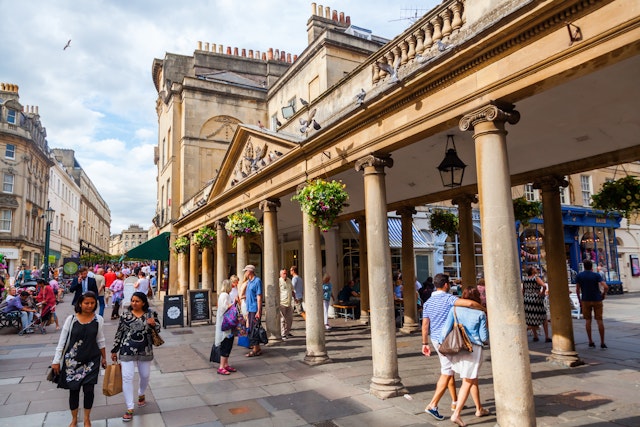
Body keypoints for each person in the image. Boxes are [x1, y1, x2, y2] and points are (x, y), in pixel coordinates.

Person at [421, 273, 485, 421]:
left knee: (451, 371)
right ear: (445, 285)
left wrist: (425, 343)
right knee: (448, 372)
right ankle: (433, 405)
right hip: (449, 340)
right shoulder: (450, 298)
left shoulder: (428, 302)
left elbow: (425, 326)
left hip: (436, 340)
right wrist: (483, 309)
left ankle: (458, 402)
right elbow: (469, 304)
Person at [51, 291, 107, 427]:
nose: (89, 306)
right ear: (80, 304)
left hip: (92, 360)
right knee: (74, 390)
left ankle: (87, 418)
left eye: (92, 303)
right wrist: (56, 361)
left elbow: (100, 340)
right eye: (86, 303)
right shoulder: (71, 319)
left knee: (89, 391)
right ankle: (74, 418)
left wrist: (104, 358)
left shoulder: (98, 319)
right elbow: (62, 341)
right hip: (72, 361)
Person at [443, 286, 490, 426]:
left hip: (458, 347)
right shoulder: (480, 314)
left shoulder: (455, 309)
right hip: (473, 348)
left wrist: (442, 347)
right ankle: (456, 414)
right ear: (476, 298)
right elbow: (483, 337)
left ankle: (479, 408)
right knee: (468, 381)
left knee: (472, 378)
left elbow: (446, 330)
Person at [111, 291, 159, 422]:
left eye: (137, 301)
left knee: (145, 375)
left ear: (143, 302)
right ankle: (130, 407)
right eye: (132, 301)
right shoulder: (125, 315)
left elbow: (158, 330)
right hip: (127, 349)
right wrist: (114, 350)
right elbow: (119, 332)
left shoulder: (151, 314)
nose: (134, 303)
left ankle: (141, 393)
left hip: (145, 349)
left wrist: (153, 324)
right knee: (127, 377)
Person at [576, 259, 609, 349]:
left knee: (588, 321)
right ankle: (602, 342)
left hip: (586, 300)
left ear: (584, 266)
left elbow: (577, 290)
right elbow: (605, 286)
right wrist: (603, 294)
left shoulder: (579, 276)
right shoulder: (596, 275)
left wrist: (579, 300)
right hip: (597, 299)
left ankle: (590, 341)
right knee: (599, 321)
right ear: (591, 267)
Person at [215, 279, 238, 375]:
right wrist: (234, 303)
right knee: (226, 344)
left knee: (228, 344)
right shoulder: (224, 295)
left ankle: (226, 364)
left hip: (227, 324)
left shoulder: (225, 295)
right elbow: (224, 308)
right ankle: (221, 366)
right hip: (226, 324)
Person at [522, 266, 550, 342]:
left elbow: (523, 290)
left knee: (531, 317)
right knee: (543, 317)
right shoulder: (536, 278)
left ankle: (535, 336)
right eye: (534, 268)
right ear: (532, 271)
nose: (536, 269)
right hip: (536, 298)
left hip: (527, 299)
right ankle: (547, 337)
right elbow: (544, 286)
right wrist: (542, 293)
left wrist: (524, 297)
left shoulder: (525, 279)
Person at [243, 265, 263, 357]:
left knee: (254, 328)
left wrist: (259, 311)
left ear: (250, 271)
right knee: (252, 328)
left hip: (254, 308)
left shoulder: (257, 281)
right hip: (249, 308)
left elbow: (259, 296)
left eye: (246, 271)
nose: (245, 273)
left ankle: (255, 349)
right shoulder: (249, 282)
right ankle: (257, 348)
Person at [278, 269, 294, 339]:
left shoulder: (289, 280)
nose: (285, 275)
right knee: (282, 319)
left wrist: (295, 298)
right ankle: (283, 333)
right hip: (282, 302)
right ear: (281, 274)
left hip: (289, 302)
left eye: (286, 273)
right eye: (284, 273)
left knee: (289, 319)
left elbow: (292, 290)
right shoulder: (279, 281)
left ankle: (287, 332)